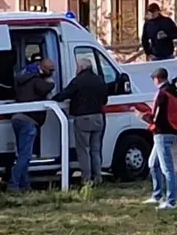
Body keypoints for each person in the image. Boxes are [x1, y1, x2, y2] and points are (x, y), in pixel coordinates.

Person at [53, 58, 109, 187]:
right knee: (95, 149)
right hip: (98, 117)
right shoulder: (100, 79)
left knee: (83, 150)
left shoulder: (78, 81)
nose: (77, 69)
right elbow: (105, 100)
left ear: (82, 67)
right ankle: (98, 177)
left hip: (83, 118)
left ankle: (86, 179)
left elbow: (64, 95)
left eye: (78, 66)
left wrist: (52, 99)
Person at [141, 67, 177, 211]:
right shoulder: (174, 91)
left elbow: (156, 118)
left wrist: (142, 116)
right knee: (153, 163)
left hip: (162, 133)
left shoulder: (162, 94)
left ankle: (171, 200)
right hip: (171, 131)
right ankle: (158, 195)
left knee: (167, 168)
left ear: (157, 79)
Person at [11, 55, 55, 192]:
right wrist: (50, 81)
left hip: (17, 117)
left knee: (22, 154)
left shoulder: (22, 78)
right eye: (51, 70)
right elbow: (46, 88)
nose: (53, 72)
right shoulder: (37, 80)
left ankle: (25, 184)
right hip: (29, 120)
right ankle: (13, 184)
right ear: (44, 69)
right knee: (25, 156)